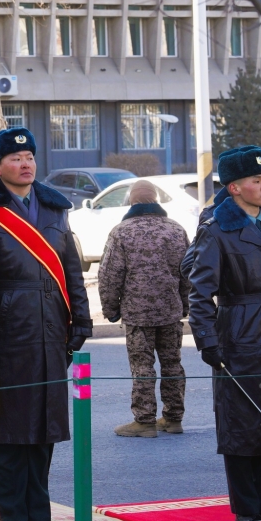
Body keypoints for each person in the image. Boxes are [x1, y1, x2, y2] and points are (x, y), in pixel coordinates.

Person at [0, 128, 93, 521]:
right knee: (9, 440)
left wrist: (82, 322)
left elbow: (71, 268)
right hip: (6, 334)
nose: (26, 163)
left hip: (51, 332)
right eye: (16, 158)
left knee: (43, 436)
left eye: (30, 156)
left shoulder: (55, 208)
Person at [188, 145, 261, 521]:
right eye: (256, 180)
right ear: (235, 187)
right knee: (242, 426)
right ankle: (248, 509)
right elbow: (200, 291)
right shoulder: (218, 230)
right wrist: (208, 340)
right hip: (238, 334)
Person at [98, 179, 190, 437]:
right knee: (173, 364)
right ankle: (173, 419)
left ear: (131, 201)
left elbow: (109, 275)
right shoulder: (176, 230)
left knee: (142, 366)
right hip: (170, 310)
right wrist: (185, 304)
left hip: (137, 314)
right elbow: (188, 272)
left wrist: (111, 309)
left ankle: (145, 421)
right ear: (156, 200)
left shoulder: (121, 232)